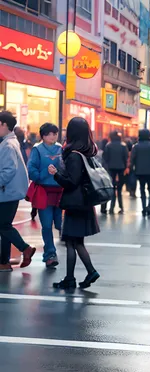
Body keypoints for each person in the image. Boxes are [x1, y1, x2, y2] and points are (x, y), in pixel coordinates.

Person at [48, 117, 100, 290]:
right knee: (77, 242)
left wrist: (56, 174)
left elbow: (71, 182)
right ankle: (87, 272)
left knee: (71, 242)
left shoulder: (74, 156)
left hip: (75, 204)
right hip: (84, 203)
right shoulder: (87, 152)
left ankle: (72, 278)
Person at [0, 111, 36, 272]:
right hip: (10, 191)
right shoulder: (10, 142)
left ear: (4, 125)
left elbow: (8, 171)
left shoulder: (7, 145)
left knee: (3, 226)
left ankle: (25, 248)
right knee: (4, 226)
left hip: (7, 192)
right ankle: (4, 261)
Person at [27, 123, 63, 268]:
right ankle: (50, 254)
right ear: (43, 136)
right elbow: (32, 171)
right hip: (44, 192)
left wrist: (59, 174)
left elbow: (68, 169)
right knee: (47, 225)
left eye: (55, 133)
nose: (53, 136)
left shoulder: (61, 149)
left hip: (60, 192)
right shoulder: (37, 150)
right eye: (49, 134)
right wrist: (45, 173)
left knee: (60, 224)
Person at [131, 129, 150, 216]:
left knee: (142, 189)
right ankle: (149, 205)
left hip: (139, 171)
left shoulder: (135, 147)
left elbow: (132, 159)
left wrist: (132, 169)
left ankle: (143, 208)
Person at [103, 131, 128, 214]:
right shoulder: (123, 145)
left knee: (111, 187)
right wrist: (125, 167)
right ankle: (121, 207)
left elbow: (105, 158)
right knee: (119, 189)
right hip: (121, 168)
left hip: (110, 168)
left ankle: (111, 208)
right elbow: (126, 157)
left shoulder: (108, 145)